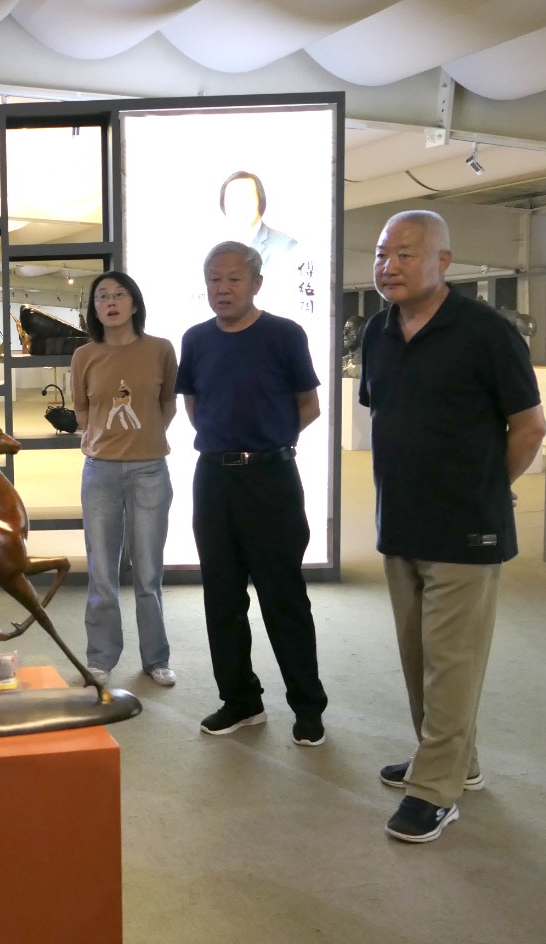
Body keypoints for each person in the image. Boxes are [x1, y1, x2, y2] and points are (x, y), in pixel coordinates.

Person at [360, 210, 545, 843]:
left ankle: (435, 790)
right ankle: (453, 761)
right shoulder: (378, 331)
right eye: (382, 253)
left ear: (444, 261)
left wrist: (487, 490)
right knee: (419, 657)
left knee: (452, 661)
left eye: (406, 253)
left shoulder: (487, 332)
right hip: (400, 521)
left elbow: (529, 428)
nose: (389, 266)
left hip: (466, 529)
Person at [176, 241, 328, 745]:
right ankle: (240, 700)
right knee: (221, 596)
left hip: (271, 479)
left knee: (284, 596)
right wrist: (226, 445)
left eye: (233, 279)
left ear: (256, 283)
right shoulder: (196, 339)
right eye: (214, 279)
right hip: (213, 479)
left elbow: (308, 406)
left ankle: (308, 706)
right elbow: (195, 405)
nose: (222, 288)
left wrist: (267, 442)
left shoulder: (285, 334)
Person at [68, 270, 178, 687]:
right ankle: (100, 657)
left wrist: (148, 437)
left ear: (134, 303)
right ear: (94, 309)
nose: (110, 302)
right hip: (100, 472)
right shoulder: (84, 355)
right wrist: (98, 437)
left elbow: (167, 402)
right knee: (102, 572)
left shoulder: (160, 349)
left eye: (119, 295)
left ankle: (156, 658)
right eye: (102, 297)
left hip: (151, 470)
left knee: (148, 573)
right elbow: (81, 409)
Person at [220, 171, 298, 272]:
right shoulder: (218, 247)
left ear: (260, 201)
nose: (241, 205)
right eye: (233, 199)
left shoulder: (286, 247)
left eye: (248, 198)